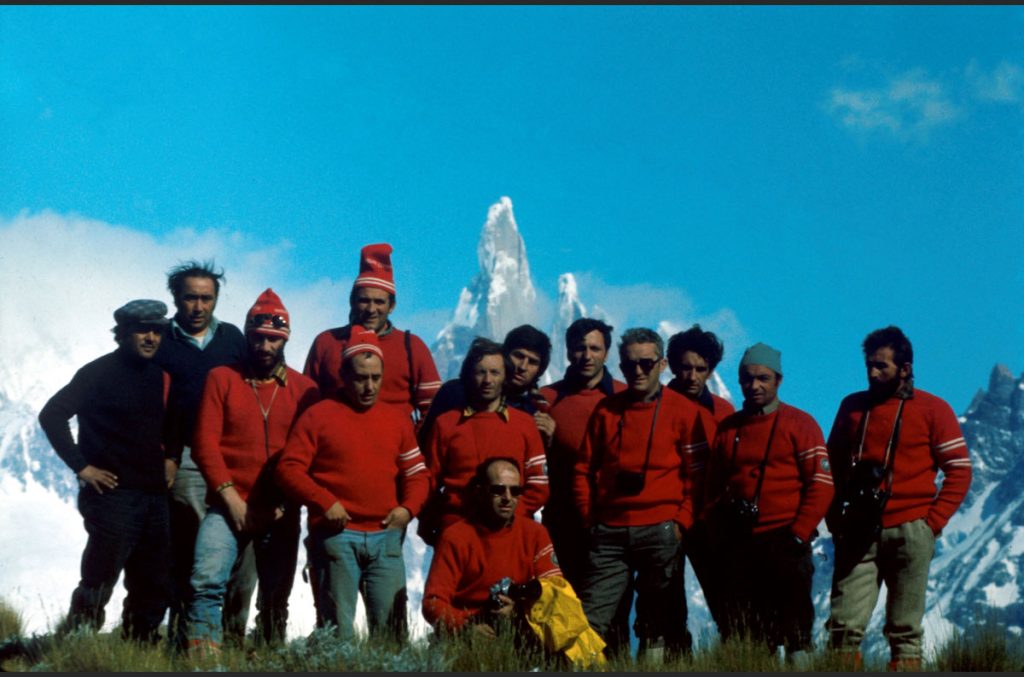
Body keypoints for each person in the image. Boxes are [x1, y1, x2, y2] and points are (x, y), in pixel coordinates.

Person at [824, 326, 972, 671]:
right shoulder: (852, 406)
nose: (873, 373)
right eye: (869, 366)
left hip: (911, 528)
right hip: (858, 527)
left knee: (906, 632)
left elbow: (959, 470)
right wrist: (835, 517)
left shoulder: (934, 410)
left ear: (904, 368)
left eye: (882, 367)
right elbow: (831, 465)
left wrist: (931, 524)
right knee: (843, 626)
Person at [276, 327, 431, 642]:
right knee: (338, 633)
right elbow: (289, 468)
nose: (369, 386)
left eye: (376, 377)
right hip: (336, 536)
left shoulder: (397, 419)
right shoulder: (318, 416)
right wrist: (324, 501)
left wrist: (408, 509)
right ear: (344, 374)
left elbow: (417, 473)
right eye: (361, 377)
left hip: (386, 537)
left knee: (392, 636)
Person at [187, 289, 319, 654]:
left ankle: (266, 656)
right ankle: (202, 655)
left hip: (280, 508)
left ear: (285, 340)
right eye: (257, 338)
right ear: (247, 336)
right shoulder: (221, 378)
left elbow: (309, 454)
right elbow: (204, 445)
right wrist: (231, 499)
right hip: (226, 503)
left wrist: (284, 500)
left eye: (273, 339)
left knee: (275, 595)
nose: (264, 346)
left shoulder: (306, 390)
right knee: (207, 580)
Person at [38, 299, 174, 642]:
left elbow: (173, 425)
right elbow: (52, 415)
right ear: (123, 333)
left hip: (154, 496)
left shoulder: (161, 376)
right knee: (99, 578)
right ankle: (77, 645)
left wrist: (171, 458)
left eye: (157, 331)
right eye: (143, 330)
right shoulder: (97, 373)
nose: (151, 338)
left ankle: (139, 647)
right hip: (112, 495)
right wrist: (82, 467)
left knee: (153, 581)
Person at [573, 327, 704, 662]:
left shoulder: (683, 411)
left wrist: (681, 521)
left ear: (662, 365)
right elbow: (583, 469)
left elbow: (698, 476)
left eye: (647, 363)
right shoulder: (606, 411)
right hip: (609, 530)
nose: (638, 371)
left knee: (656, 620)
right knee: (589, 619)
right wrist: (590, 518)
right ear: (621, 365)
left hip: (661, 529)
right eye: (630, 364)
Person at [703, 342, 833, 665]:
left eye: (763, 378)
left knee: (795, 631)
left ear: (778, 380)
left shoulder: (801, 425)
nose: (754, 385)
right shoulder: (729, 429)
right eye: (747, 378)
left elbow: (822, 484)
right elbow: (712, 488)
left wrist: (799, 533)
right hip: (741, 544)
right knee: (748, 633)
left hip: (787, 540)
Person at [153, 259, 257, 650]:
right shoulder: (160, 339)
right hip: (184, 457)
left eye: (206, 298)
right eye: (191, 298)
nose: (198, 306)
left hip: (231, 453)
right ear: (176, 299)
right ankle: (188, 635)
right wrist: (168, 454)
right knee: (192, 547)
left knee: (238, 544)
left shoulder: (232, 339)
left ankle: (231, 636)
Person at [421, 337, 549, 543]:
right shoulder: (446, 424)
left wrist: (510, 515)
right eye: (481, 372)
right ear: (469, 376)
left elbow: (538, 483)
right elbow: (429, 481)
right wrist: (430, 520)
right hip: (457, 530)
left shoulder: (524, 424)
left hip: (511, 531)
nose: (488, 380)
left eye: (495, 372)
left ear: (505, 377)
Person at [423, 457, 562, 638]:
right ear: (481, 492)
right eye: (498, 490)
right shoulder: (455, 537)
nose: (507, 498)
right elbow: (433, 601)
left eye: (515, 491)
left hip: (523, 629)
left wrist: (519, 610)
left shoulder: (535, 534)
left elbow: (556, 592)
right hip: (470, 628)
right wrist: (464, 627)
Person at [303, 242, 441, 421]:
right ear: (352, 301)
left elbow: (434, 409)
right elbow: (307, 402)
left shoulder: (412, 347)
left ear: (392, 306)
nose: (371, 309)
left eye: (379, 302)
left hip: (395, 446)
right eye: (364, 301)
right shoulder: (326, 342)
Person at [665, 324, 734, 627]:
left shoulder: (723, 412)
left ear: (711, 370)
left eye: (700, 369)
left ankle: (738, 655)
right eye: (685, 368)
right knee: (666, 599)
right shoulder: (656, 405)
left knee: (724, 596)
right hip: (667, 515)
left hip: (711, 520)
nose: (692, 377)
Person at [417, 324, 555, 448]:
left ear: (540, 370)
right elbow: (425, 444)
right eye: (518, 356)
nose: (522, 367)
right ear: (505, 355)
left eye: (532, 362)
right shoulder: (457, 392)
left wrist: (548, 441)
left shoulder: (535, 412)